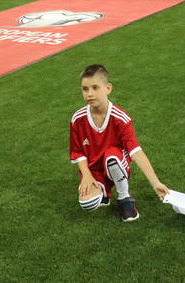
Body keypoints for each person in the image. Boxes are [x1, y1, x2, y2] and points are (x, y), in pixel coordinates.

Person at [70, 64, 169, 222]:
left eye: (95, 87)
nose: (90, 93)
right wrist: (87, 177)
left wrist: (155, 183)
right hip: (94, 169)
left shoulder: (120, 118)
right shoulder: (77, 118)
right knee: (87, 202)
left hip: (116, 163)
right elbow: (78, 153)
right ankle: (103, 191)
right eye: (85, 89)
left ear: (108, 88)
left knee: (112, 157)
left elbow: (136, 151)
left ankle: (125, 198)